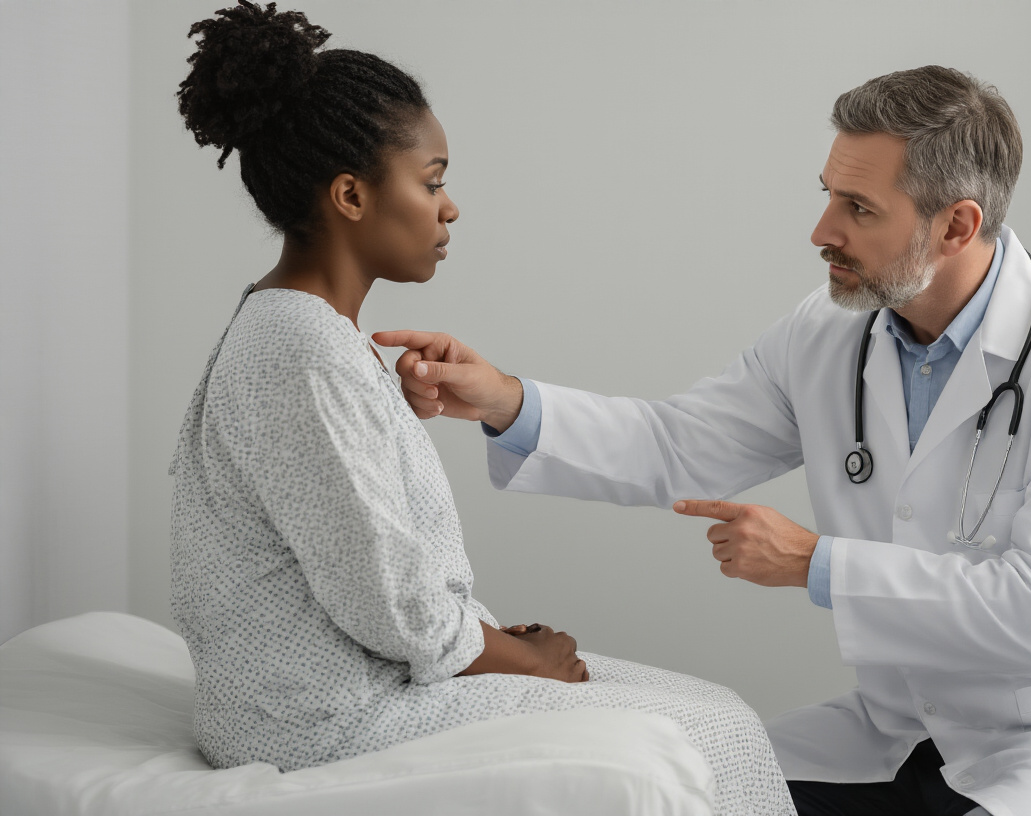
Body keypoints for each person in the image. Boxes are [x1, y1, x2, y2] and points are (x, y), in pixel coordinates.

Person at [380, 66, 1031, 816]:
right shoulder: (831, 333)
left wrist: (817, 564)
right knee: (678, 791)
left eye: (858, 208)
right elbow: (679, 442)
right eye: (826, 194)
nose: (822, 230)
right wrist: (505, 403)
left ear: (958, 226)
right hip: (901, 734)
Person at [167, 3, 796, 812]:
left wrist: (492, 639)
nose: (450, 207)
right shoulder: (303, 351)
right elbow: (391, 603)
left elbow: (363, 558)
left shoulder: (303, 333)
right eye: (431, 183)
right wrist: (517, 658)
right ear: (351, 195)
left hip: (350, 685)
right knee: (709, 732)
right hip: (315, 721)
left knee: (715, 714)